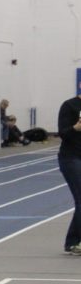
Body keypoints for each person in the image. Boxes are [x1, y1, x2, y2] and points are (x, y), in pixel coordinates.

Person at [57, 92, 81, 254]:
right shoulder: (69, 105)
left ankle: (74, 241)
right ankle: (73, 242)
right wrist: (76, 128)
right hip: (71, 158)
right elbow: (63, 133)